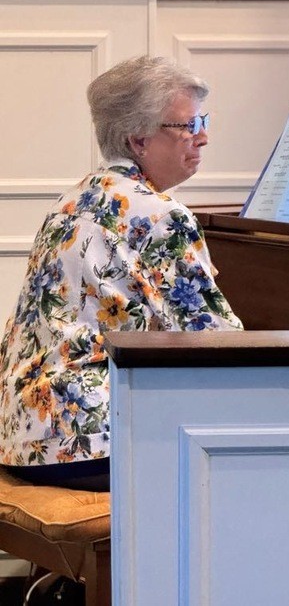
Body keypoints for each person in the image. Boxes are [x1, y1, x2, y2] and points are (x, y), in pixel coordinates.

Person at [0, 56, 243, 492]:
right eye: (188, 125)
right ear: (139, 140)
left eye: (203, 121)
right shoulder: (159, 214)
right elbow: (217, 341)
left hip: (21, 434)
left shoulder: (75, 198)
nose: (203, 136)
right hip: (86, 444)